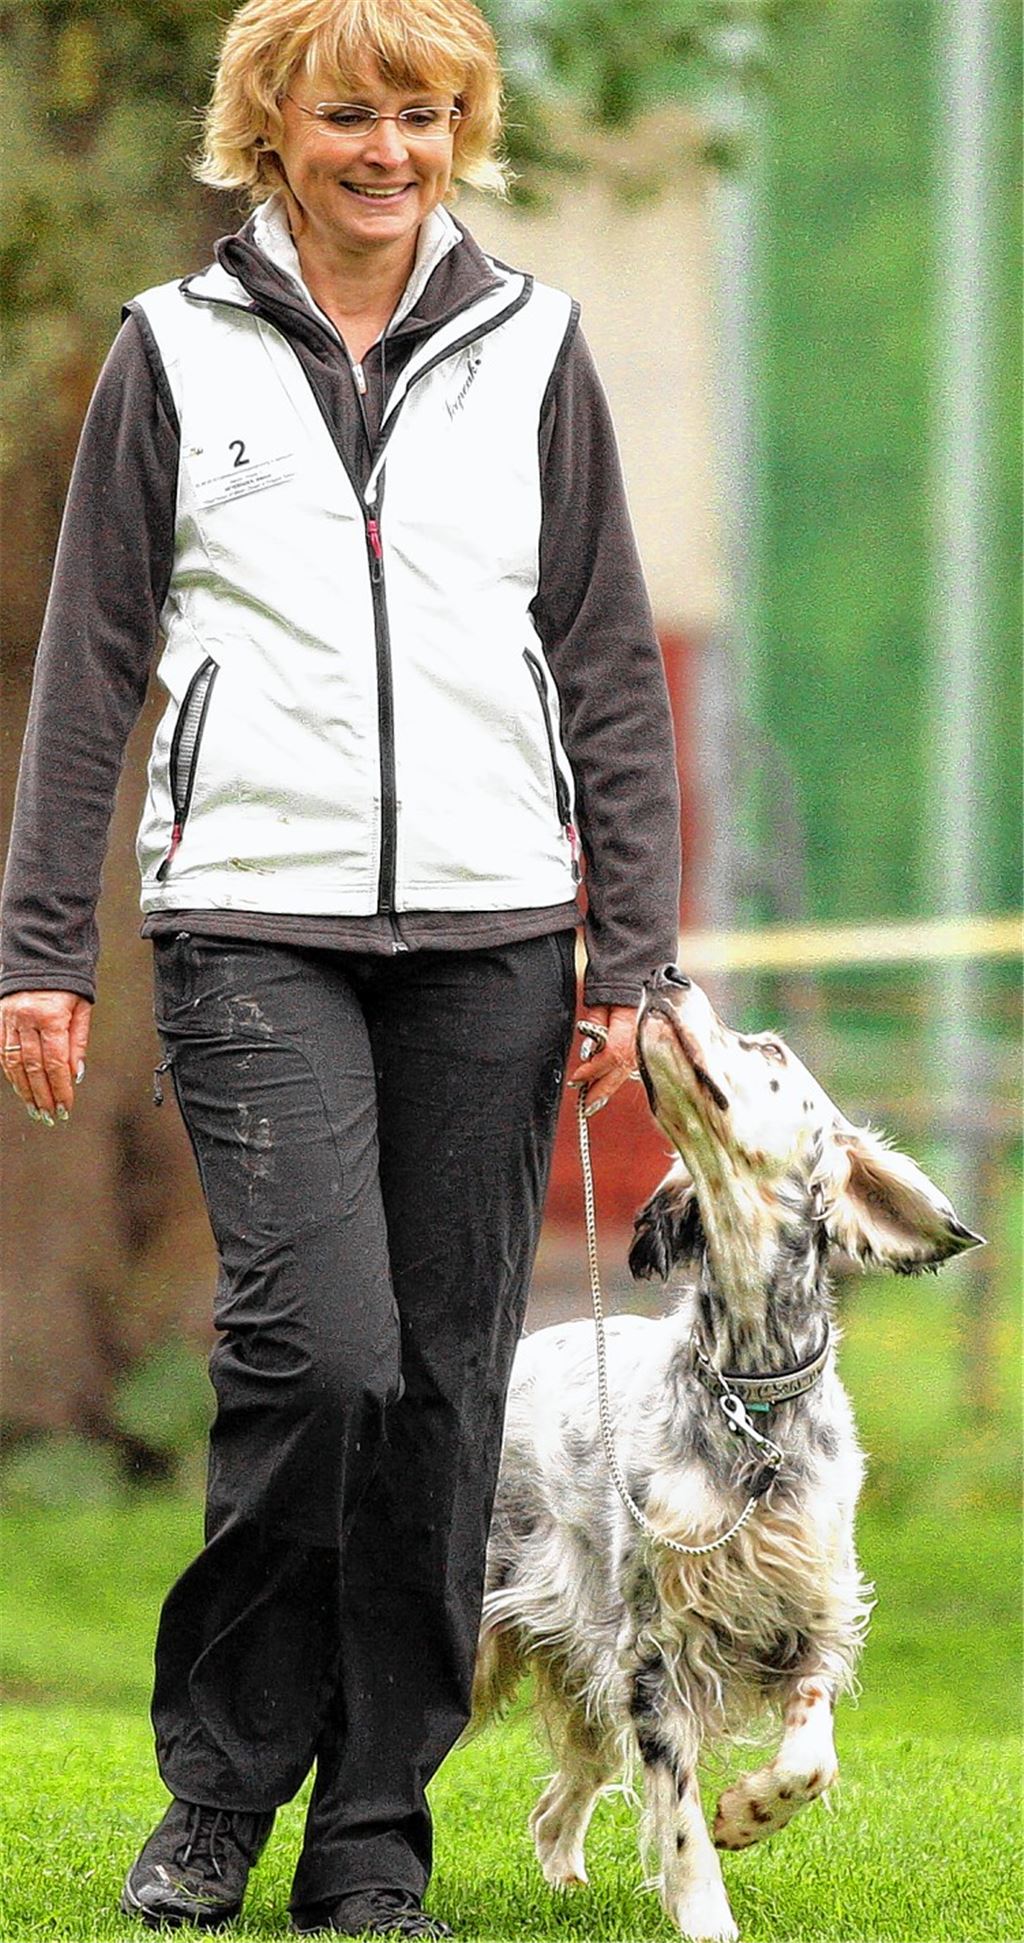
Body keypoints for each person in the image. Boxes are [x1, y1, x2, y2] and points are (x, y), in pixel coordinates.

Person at [0, 0, 681, 1932]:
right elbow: (89, 664)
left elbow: (605, 657)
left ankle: (374, 1831)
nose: (390, 149)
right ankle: (221, 1785)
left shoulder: (534, 342)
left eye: (426, 112)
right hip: (248, 919)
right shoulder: (172, 348)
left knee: (445, 1394)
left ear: (461, 130)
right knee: (320, 1351)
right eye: (350, 111)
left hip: (497, 934)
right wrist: (42, 946)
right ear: (270, 127)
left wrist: (632, 950)